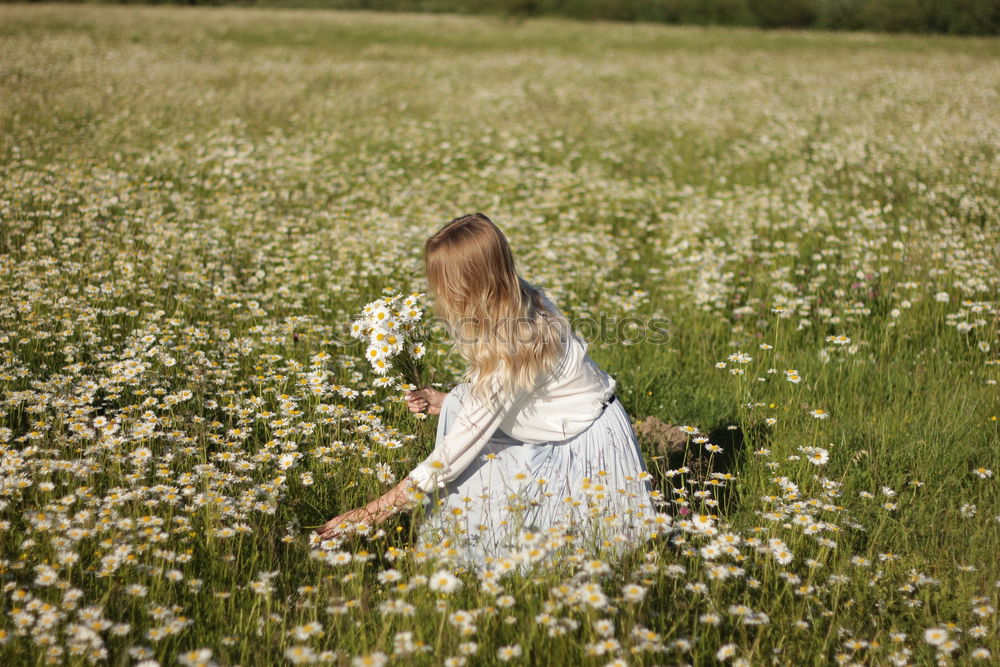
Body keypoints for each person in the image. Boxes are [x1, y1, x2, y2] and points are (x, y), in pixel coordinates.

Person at [316, 213, 662, 566]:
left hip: (587, 448)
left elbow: (452, 455)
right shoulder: (519, 296)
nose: (437, 292)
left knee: (517, 552)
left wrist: (372, 512)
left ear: (466, 286)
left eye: (441, 282)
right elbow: (524, 394)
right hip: (569, 420)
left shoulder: (513, 345)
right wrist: (450, 401)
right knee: (461, 404)